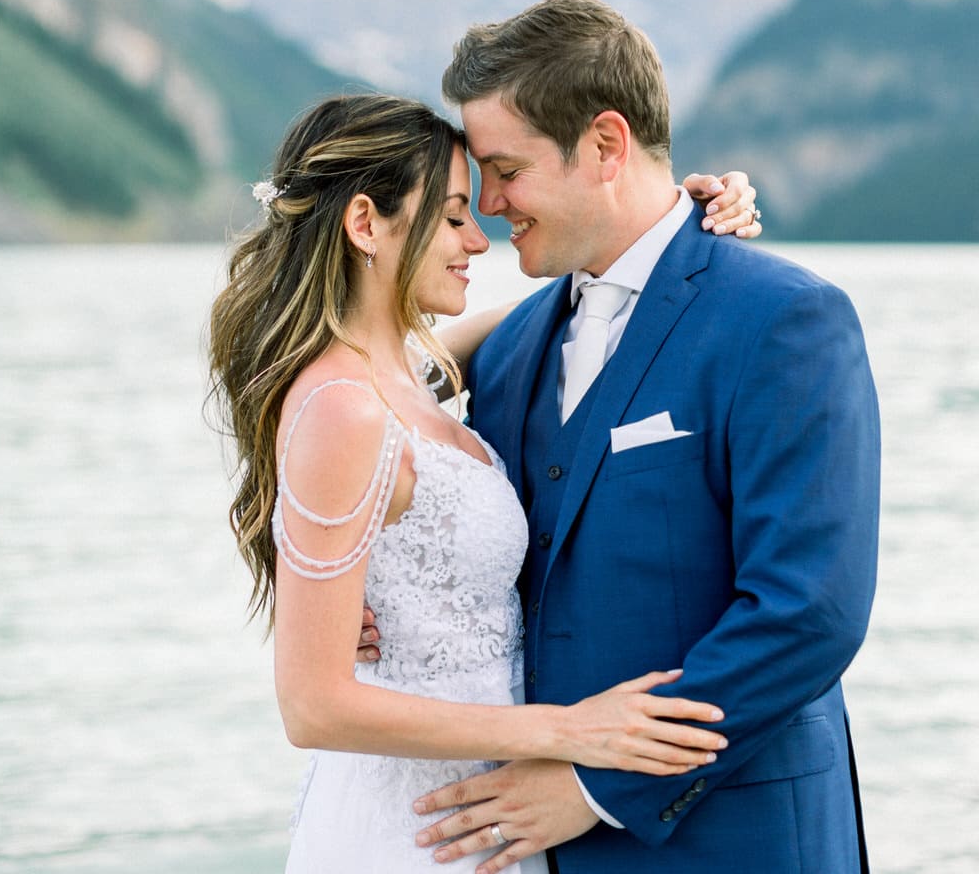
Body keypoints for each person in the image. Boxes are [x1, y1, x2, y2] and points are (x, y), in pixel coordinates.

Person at [206, 93, 763, 873]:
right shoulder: (344, 410)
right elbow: (312, 705)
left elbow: (573, 307)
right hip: (411, 833)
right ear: (366, 224)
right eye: (453, 216)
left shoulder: (409, 373)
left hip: (486, 819)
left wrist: (673, 225)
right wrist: (566, 731)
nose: (479, 238)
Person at [406, 0, 881, 874]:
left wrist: (592, 787)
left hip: (741, 843)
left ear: (605, 146)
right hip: (529, 851)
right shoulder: (508, 352)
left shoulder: (785, 320)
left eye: (506, 170)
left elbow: (809, 611)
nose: (490, 203)